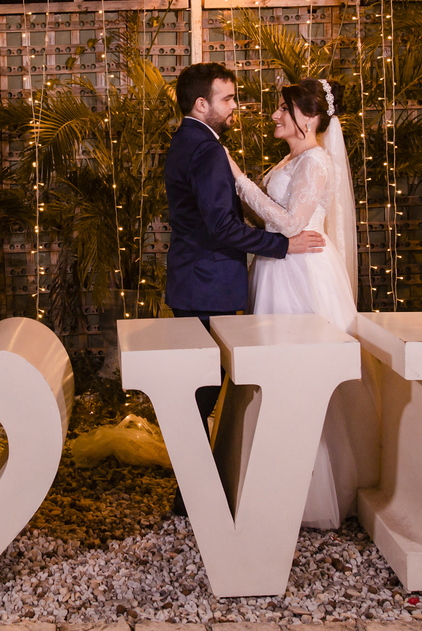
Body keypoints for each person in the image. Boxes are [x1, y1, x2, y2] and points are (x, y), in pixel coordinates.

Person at [164, 63, 325, 515]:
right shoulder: (208, 151)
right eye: (229, 99)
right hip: (208, 285)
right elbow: (220, 227)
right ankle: (193, 499)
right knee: (204, 391)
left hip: (194, 281)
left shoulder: (187, 140)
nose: (237, 107)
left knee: (201, 389)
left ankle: (192, 495)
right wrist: (281, 244)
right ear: (203, 103)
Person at [225, 78, 379, 529]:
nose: (274, 115)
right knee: (273, 372)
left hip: (302, 273)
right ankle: (275, 478)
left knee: (301, 374)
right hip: (279, 265)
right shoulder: (293, 157)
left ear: (307, 119)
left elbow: (292, 223)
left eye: (283, 109)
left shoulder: (315, 162)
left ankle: (313, 490)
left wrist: (239, 181)